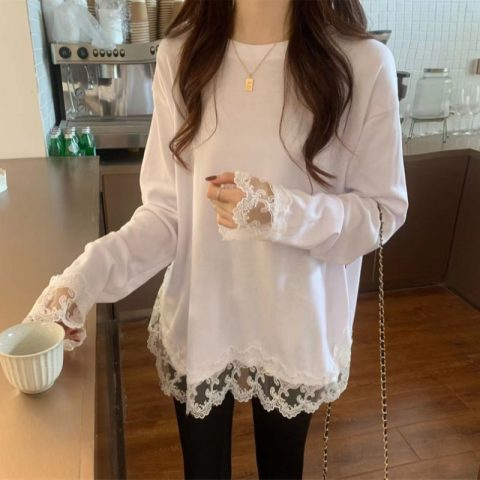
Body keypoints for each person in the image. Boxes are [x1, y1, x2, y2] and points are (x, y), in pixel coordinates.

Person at [23, 0, 409, 478]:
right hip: (203, 318)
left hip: (293, 325)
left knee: (283, 469)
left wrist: (281, 212)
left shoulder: (361, 64)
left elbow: (382, 211)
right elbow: (167, 216)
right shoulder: (182, 55)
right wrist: (79, 281)